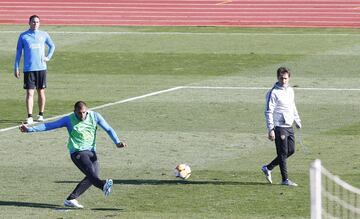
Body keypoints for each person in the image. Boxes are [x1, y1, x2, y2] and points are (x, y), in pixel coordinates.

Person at [19, 101, 128, 208]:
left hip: (91, 152)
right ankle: (103, 185)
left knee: (93, 175)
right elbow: (50, 125)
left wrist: (117, 142)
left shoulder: (95, 116)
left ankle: (71, 199)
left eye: (84, 112)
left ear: (87, 111)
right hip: (77, 152)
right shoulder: (68, 119)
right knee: (90, 171)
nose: (82, 115)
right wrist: (30, 130)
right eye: (79, 113)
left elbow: (108, 129)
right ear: (74, 111)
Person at [262, 67, 301, 187]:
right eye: (281, 78)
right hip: (279, 126)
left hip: (289, 125)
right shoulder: (273, 92)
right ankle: (285, 180)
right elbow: (268, 111)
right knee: (283, 153)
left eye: (285, 78)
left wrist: (297, 119)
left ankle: (268, 168)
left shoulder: (290, 90)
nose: (283, 80)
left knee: (291, 150)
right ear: (277, 77)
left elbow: (292, 106)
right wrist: (271, 129)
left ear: (289, 78)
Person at [14, 15, 55, 124]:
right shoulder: (23, 36)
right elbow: (18, 52)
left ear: (39, 23)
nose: (35, 24)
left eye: (37, 22)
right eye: (33, 22)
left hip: (41, 68)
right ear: (29, 22)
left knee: (41, 92)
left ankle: (41, 114)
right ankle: (30, 116)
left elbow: (52, 46)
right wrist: (16, 66)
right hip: (29, 69)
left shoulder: (44, 34)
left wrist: (48, 57)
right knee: (29, 93)